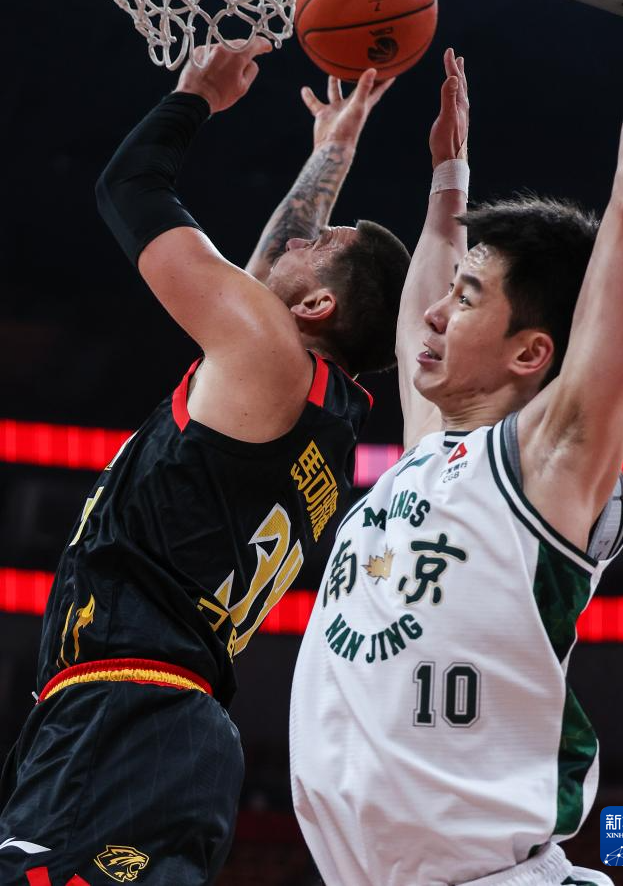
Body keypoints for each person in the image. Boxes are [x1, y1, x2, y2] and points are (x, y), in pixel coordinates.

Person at [290, 0, 623, 886]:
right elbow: (422, 290)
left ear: (529, 355)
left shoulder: (547, 461)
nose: (430, 314)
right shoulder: (429, 453)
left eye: (467, 301)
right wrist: (448, 179)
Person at [0, 45, 410, 886]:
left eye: (322, 242)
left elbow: (128, 187)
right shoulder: (314, 410)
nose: (303, 237)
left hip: (130, 716)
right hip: (145, 718)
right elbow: (270, 273)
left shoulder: (269, 360)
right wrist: (333, 151)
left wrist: (193, 96)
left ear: (318, 306)